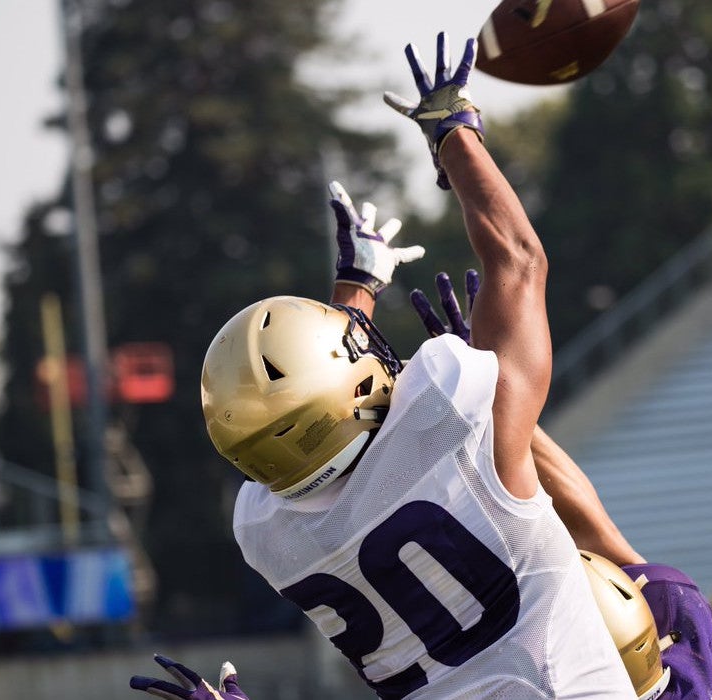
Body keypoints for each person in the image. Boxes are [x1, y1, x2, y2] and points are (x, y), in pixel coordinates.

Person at [189, 32, 634, 699]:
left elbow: (314, 418)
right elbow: (519, 259)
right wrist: (453, 133)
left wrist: (356, 291)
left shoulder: (268, 534)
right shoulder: (448, 418)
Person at [413, 270, 712, 700]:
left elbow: (592, 528)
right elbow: (593, 529)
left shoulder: (672, 615)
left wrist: (493, 392)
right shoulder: (675, 618)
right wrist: (499, 395)